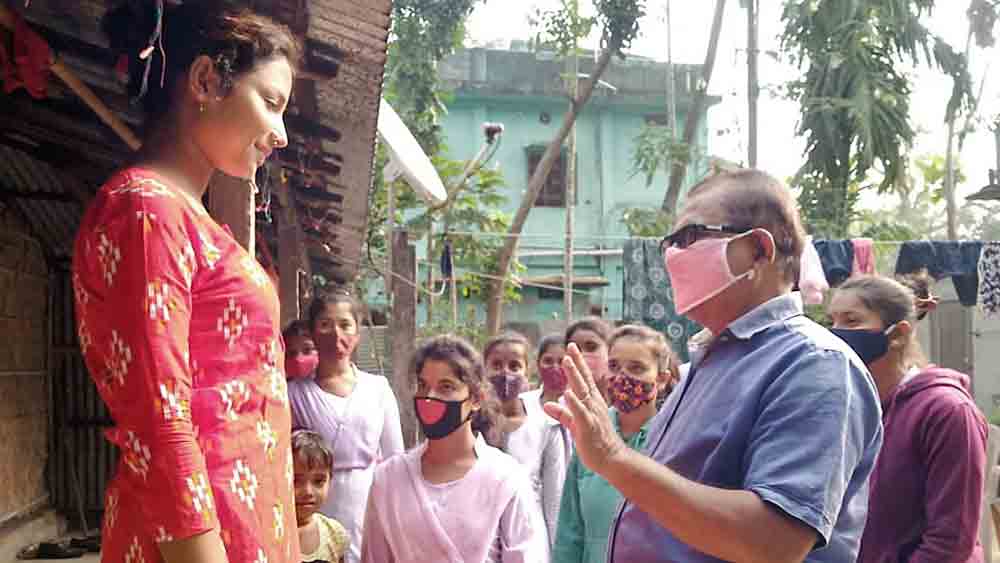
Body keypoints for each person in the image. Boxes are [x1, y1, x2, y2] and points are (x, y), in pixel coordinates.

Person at [545, 169, 883, 562]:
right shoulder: (707, 363)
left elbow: (775, 543)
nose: (671, 255)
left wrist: (612, 457)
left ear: (758, 249)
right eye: (669, 242)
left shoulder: (814, 365)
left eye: (688, 238)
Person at [72, 2, 302, 561]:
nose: (282, 135)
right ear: (205, 80)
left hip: (241, 529)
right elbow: (159, 417)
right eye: (270, 104)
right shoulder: (145, 209)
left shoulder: (188, 218)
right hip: (197, 543)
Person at [828, 273, 988, 562]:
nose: (835, 333)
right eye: (833, 322)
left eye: (851, 321)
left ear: (898, 335)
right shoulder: (849, 407)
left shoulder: (948, 412)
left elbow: (951, 542)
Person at [360, 335, 548, 562]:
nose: (429, 398)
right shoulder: (388, 479)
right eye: (423, 386)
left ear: (477, 399)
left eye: (446, 387)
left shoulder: (505, 479)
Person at [287, 292, 404, 563]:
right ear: (313, 332)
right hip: (313, 504)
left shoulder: (378, 389)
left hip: (368, 504)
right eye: (325, 324)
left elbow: (395, 460)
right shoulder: (294, 393)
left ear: (358, 332)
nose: (335, 333)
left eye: (345, 324)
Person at [552, 324, 671, 563]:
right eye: (615, 366)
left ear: (661, 379)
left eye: (636, 368)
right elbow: (570, 531)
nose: (623, 377)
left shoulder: (672, 439)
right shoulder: (589, 434)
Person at [485, 332, 570, 548]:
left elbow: (554, 501)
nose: (505, 373)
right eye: (496, 365)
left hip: (530, 539)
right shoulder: (470, 426)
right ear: (482, 370)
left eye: (514, 366)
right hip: (483, 535)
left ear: (528, 371)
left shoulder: (545, 427)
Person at [291, 430, 349, 563]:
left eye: (318, 481)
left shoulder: (334, 534)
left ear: (330, 481)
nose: (307, 491)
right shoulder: (273, 533)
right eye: (295, 481)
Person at [564, 318, 612, 400]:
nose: (581, 356)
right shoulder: (562, 405)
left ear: (610, 351)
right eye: (575, 349)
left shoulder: (624, 404)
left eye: (591, 347)